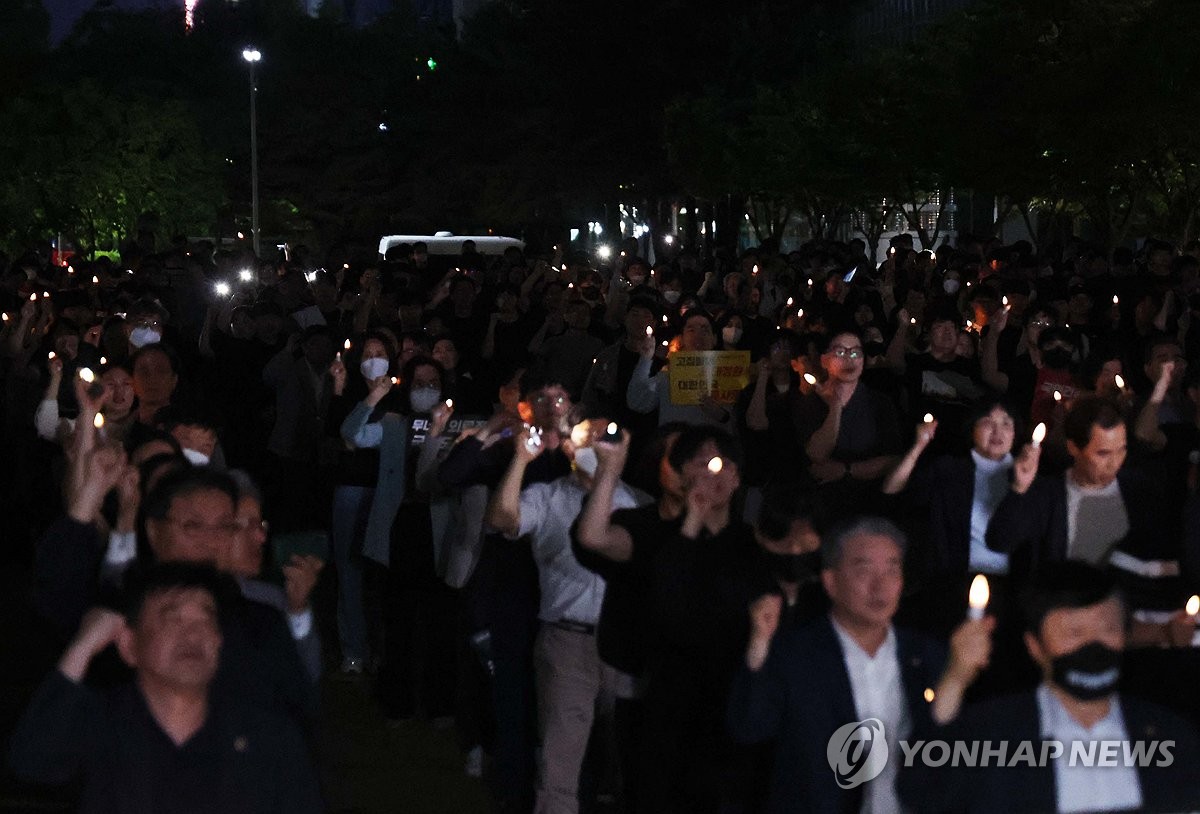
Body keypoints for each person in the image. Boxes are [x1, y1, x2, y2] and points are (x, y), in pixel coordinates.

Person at [9, 562, 323, 813]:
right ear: (129, 644)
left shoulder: (268, 735)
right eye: (172, 619)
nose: (193, 634)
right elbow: (32, 764)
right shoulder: (103, 722)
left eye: (204, 619)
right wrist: (82, 647)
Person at [727, 516, 986, 814]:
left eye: (892, 570)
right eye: (864, 570)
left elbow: (955, 752)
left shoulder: (927, 655)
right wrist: (759, 644)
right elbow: (749, 728)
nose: (881, 586)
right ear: (831, 581)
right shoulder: (797, 654)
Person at [899, 561, 1200, 813]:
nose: (1093, 645)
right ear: (1035, 646)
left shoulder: (1168, 733)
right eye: (1074, 632)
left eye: (1108, 629)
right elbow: (922, 791)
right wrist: (954, 680)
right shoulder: (996, 734)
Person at [486, 418, 647, 814]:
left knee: (638, 758)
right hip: (569, 643)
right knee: (560, 766)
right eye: (588, 440)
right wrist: (520, 461)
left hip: (626, 643)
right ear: (570, 450)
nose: (599, 447)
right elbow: (503, 518)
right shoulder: (549, 496)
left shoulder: (638, 503)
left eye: (606, 438)